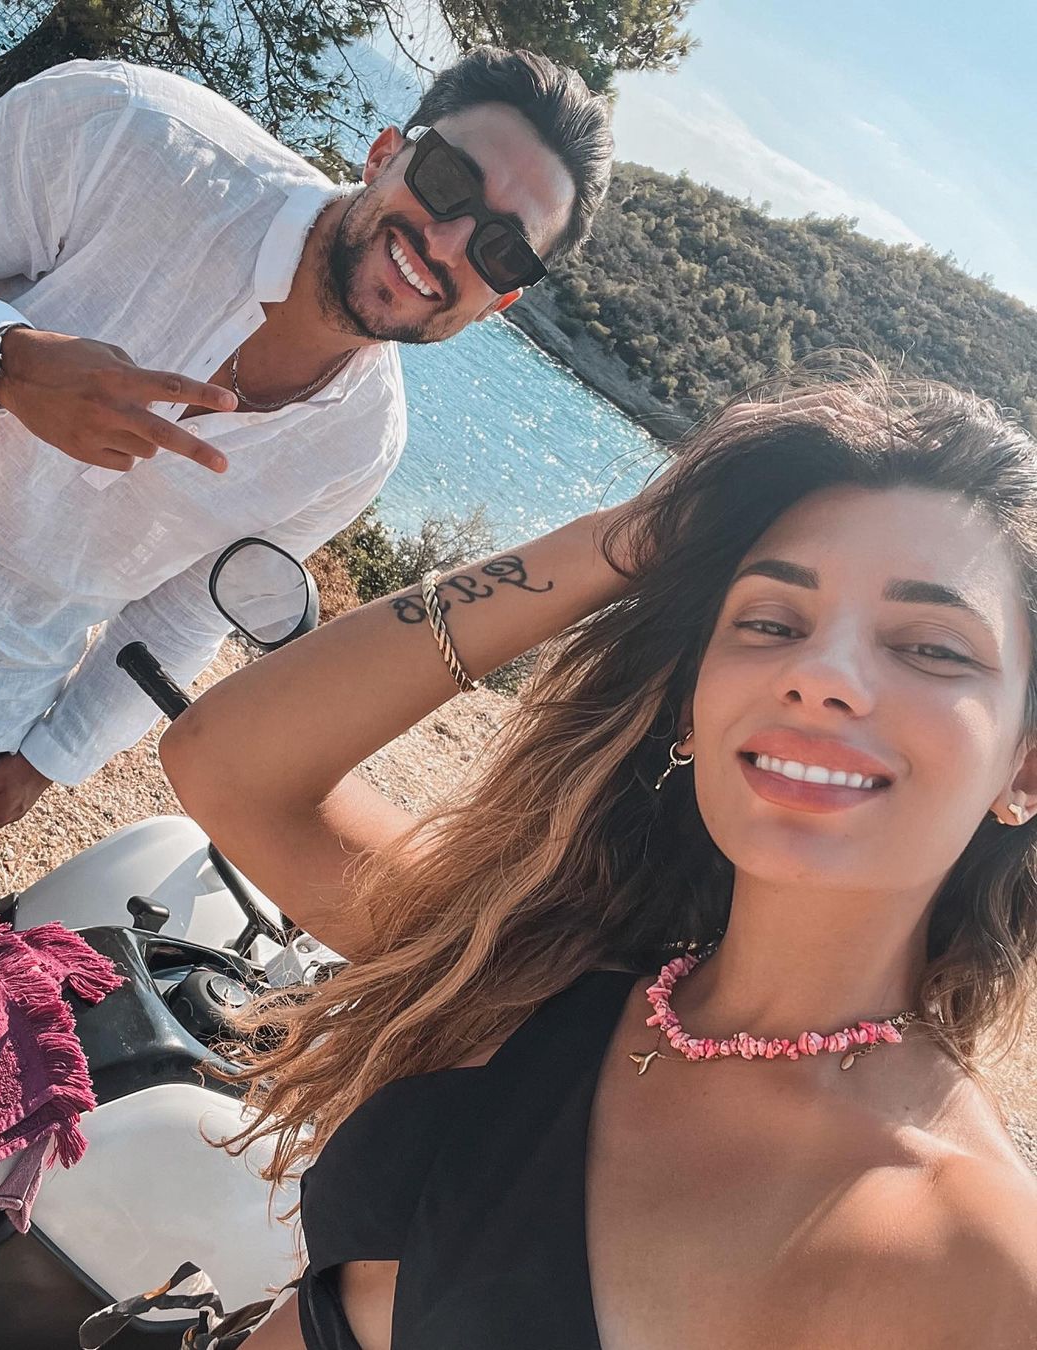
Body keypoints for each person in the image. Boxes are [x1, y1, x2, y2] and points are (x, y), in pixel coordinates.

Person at [154, 357, 1037, 1348]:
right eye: (769, 622)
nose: (820, 674)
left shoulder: (973, 1255)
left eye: (931, 647)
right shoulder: (541, 968)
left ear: (1026, 767)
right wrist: (620, 541)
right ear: (693, 712)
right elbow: (228, 763)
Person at [0, 46, 612, 834]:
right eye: (447, 179)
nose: (446, 243)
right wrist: (0, 361)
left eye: (500, 247)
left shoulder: (360, 446)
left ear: (500, 301)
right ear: (384, 155)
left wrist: (54, 756)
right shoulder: (132, 133)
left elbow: (184, 612)